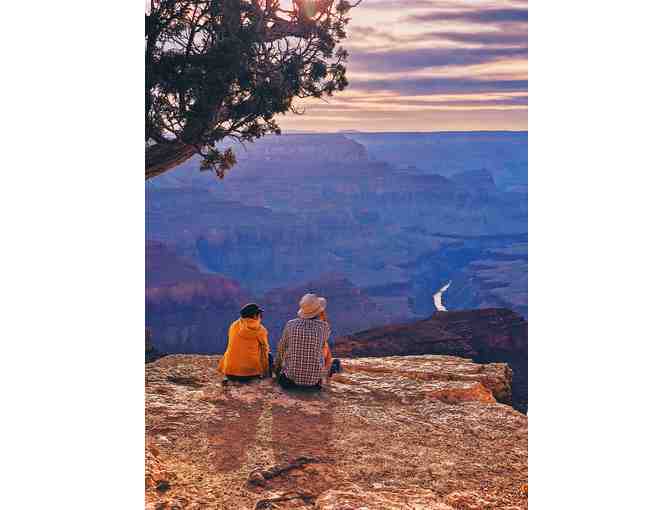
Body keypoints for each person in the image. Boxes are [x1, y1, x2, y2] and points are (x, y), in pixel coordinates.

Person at [274, 293, 339, 390]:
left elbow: (282, 348)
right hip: (314, 385)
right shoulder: (324, 327)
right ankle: (327, 373)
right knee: (325, 346)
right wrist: (321, 313)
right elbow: (322, 346)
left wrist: (277, 369)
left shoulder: (290, 325)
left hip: (289, 383)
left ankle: (327, 371)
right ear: (319, 311)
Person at [218, 303, 271, 383]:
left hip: (230, 372)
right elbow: (265, 351)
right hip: (250, 374)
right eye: (259, 314)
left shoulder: (234, 325)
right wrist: (265, 371)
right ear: (254, 316)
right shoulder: (260, 330)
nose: (260, 317)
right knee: (269, 355)